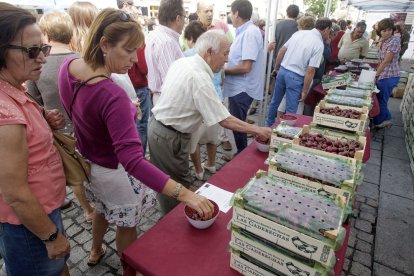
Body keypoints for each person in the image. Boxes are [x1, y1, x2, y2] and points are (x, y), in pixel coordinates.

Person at [58, 8, 214, 265]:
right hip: (112, 170)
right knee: (127, 224)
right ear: (105, 44)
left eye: (136, 50)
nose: (134, 58)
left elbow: (80, 112)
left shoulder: (69, 66)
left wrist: (121, 114)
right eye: (129, 50)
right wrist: (186, 194)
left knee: (102, 209)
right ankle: (130, 269)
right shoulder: (112, 95)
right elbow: (133, 161)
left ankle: (95, 250)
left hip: (90, 164)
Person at [148, 30, 272, 214]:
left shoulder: (184, 62)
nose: (227, 60)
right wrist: (257, 129)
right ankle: (173, 227)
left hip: (160, 130)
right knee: (177, 188)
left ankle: (172, 219)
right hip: (168, 136)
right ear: (208, 52)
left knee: (170, 185)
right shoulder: (199, 77)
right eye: (225, 53)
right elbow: (225, 120)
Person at [0, 3, 70, 275]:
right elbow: (15, 194)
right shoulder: (5, 112)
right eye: (32, 51)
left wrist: (43, 119)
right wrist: (51, 236)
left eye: (43, 48)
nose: (42, 58)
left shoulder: (13, 88)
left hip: (41, 212)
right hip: (30, 227)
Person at [25, 10, 96, 224]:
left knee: (73, 172)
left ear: (45, 34)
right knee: (92, 167)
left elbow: (34, 99)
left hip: (59, 129)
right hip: (85, 127)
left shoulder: (36, 65)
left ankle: (88, 210)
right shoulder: (81, 61)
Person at [266, 18, 332, 127]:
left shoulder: (299, 33)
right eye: (329, 31)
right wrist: (305, 91)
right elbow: (311, 70)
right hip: (295, 77)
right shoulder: (319, 44)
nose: (328, 34)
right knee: (291, 109)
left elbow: (282, 50)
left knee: (275, 102)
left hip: (283, 71)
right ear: (326, 29)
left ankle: (269, 126)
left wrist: (277, 68)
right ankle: (284, 133)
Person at [223, 0, 265, 154]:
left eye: (230, 12)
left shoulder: (250, 32)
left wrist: (223, 70)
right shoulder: (244, 31)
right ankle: (240, 153)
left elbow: (246, 67)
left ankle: (241, 155)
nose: (230, 16)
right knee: (238, 126)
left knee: (238, 126)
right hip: (238, 88)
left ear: (237, 14)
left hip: (242, 89)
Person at [183, 21, 222, 180]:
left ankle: (199, 170)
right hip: (216, 99)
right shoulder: (216, 54)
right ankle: (212, 164)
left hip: (197, 106)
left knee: (195, 141)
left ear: (191, 38)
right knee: (212, 138)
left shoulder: (186, 56)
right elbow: (221, 78)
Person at [145, 0, 185, 106]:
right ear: (178, 18)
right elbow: (171, 83)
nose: (185, 22)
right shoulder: (166, 41)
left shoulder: (155, 35)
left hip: (162, 99)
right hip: (170, 102)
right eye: (184, 17)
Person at [373, 18, 400, 129]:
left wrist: (375, 75)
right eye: (384, 30)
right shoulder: (383, 40)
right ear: (380, 31)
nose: (387, 32)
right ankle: (384, 118)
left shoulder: (394, 41)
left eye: (389, 30)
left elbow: (386, 61)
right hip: (384, 74)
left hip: (389, 75)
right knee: (380, 98)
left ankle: (382, 121)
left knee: (381, 100)